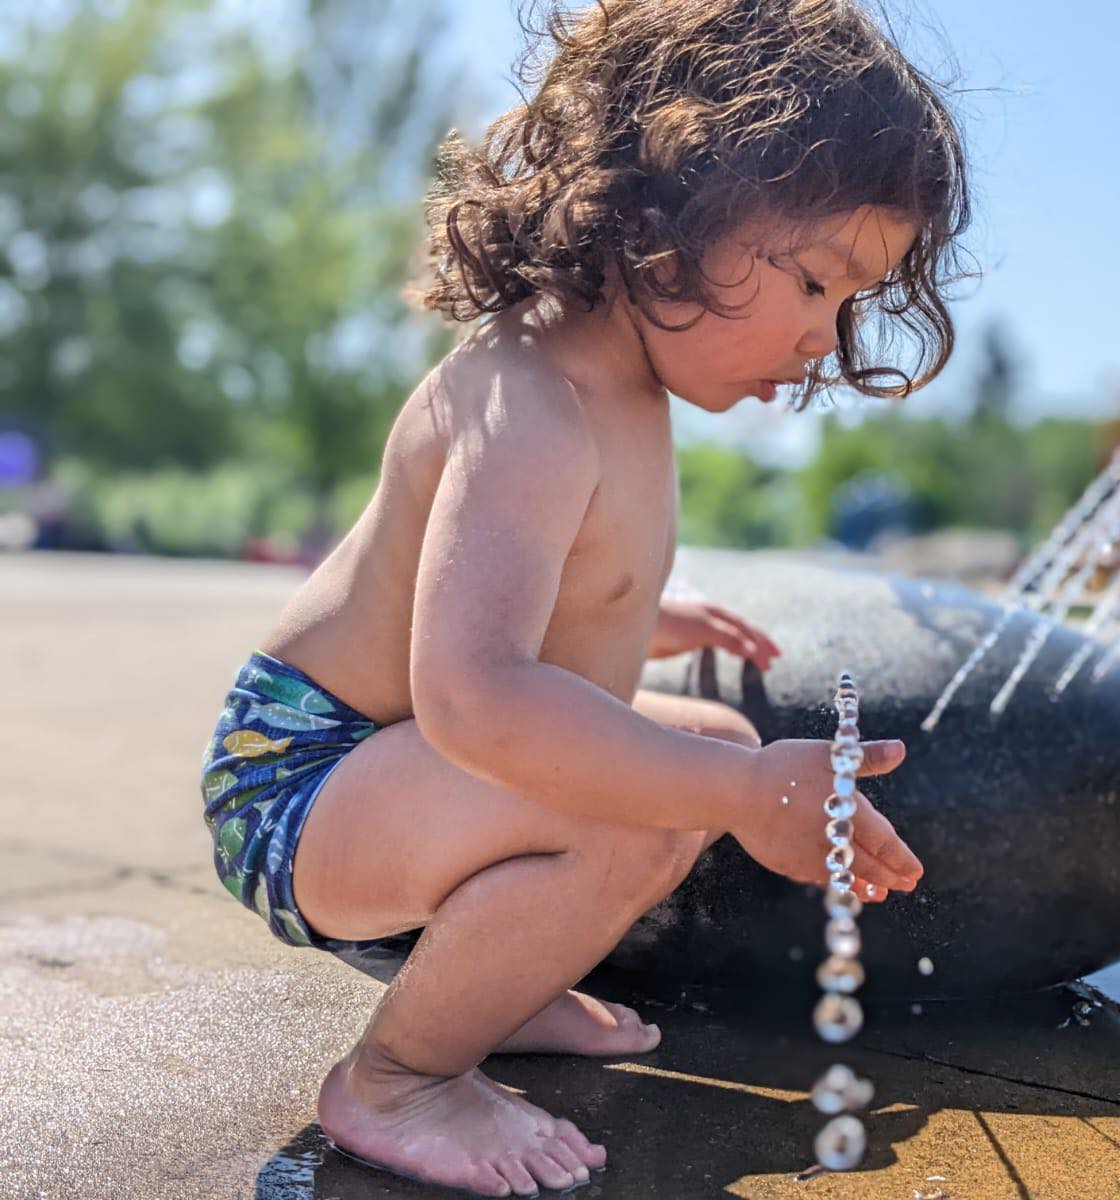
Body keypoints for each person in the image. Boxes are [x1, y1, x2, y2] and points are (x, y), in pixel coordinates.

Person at [197, 0, 970, 1193]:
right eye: (816, 279)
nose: (826, 334)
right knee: (651, 798)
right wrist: (741, 793)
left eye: (848, 301)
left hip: (388, 762)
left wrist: (649, 619)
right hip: (298, 780)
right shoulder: (531, 396)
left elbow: (513, 599)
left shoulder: (630, 392)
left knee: (695, 742)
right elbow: (473, 695)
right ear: (683, 200)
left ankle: (491, 982)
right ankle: (401, 1076)